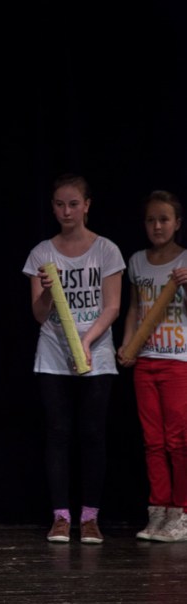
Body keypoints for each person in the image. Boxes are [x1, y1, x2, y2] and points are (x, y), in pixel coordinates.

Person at [22, 173, 125, 544]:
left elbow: (112, 306)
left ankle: (91, 518)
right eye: (60, 204)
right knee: (58, 433)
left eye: (73, 204)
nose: (66, 211)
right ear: (53, 207)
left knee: (93, 433)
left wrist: (87, 341)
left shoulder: (106, 250)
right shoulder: (42, 253)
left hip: (95, 353)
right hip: (53, 354)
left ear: (87, 206)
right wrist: (48, 293)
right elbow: (39, 314)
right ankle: (61, 517)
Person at [117, 190, 187, 542]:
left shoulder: (185, 261)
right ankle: (158, 509)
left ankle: (182, 512)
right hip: (146, 360)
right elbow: (134, 308)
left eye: (164, 219)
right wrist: (128, 343)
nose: (157, 226)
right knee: (153, 441)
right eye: (151, 220)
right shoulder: (137, 262)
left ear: (177, 223)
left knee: (179, 440)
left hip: (179, 361)